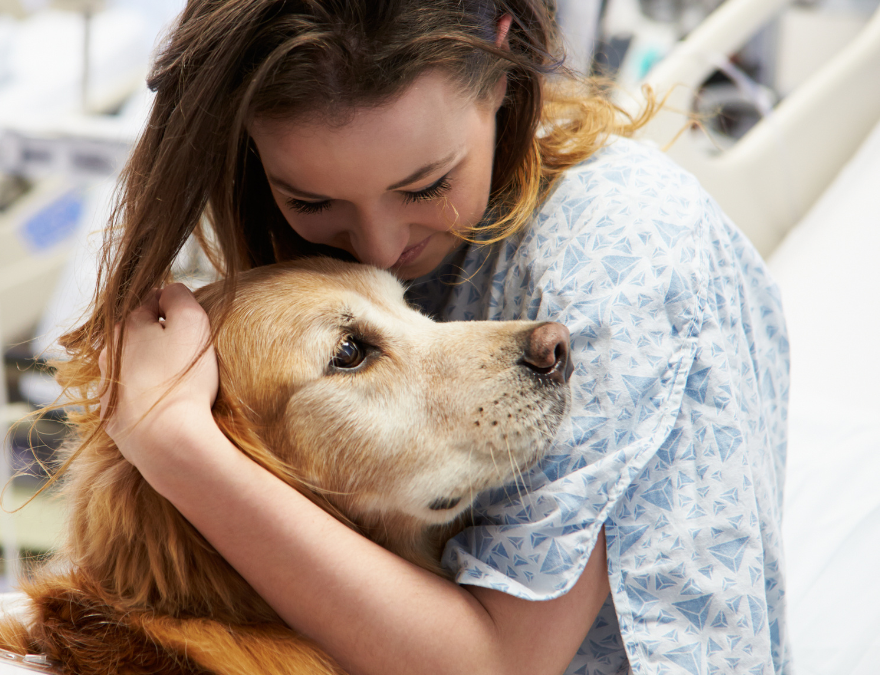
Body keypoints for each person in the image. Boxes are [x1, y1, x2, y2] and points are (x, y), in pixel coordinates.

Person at [69, 1, 790, 673]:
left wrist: (175, 444)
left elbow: (496, 663)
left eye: (424, 186)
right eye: (311, 200)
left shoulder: (621, 246)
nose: (379, 248)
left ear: (501, 60)